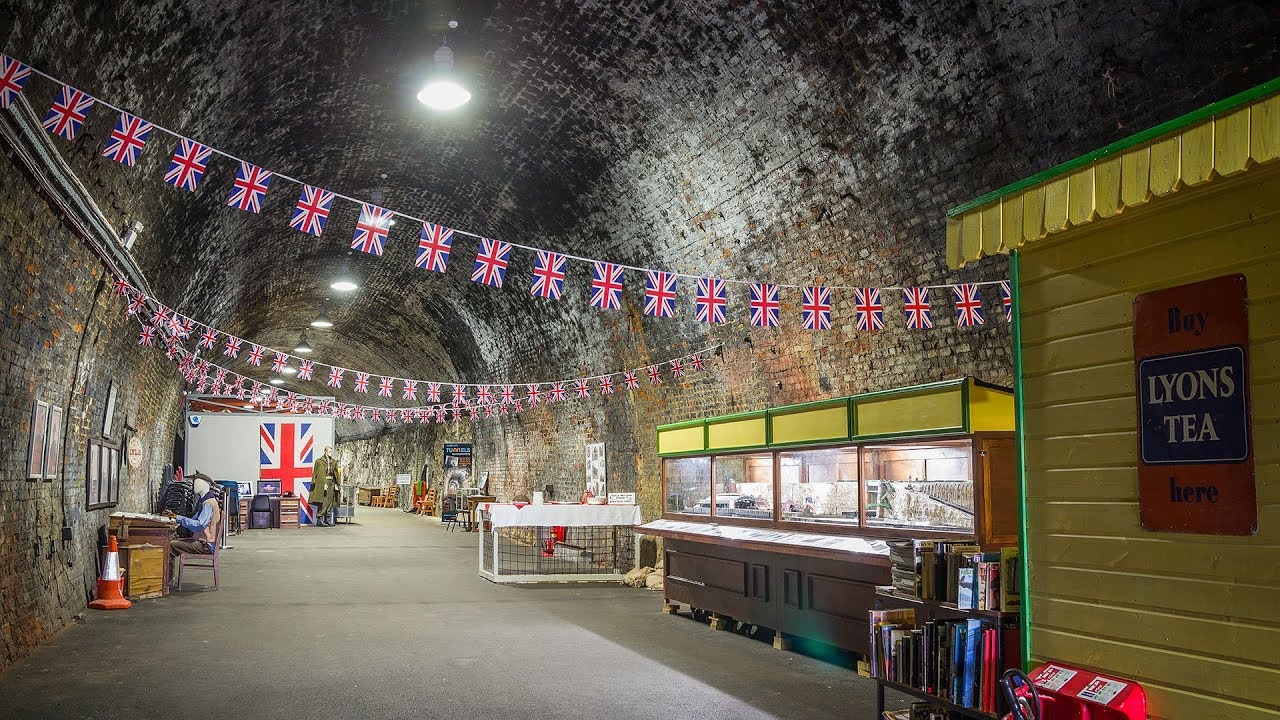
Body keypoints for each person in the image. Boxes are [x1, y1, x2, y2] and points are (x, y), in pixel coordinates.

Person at [165, 474, 221, 582]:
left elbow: (198, 525)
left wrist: (178, 518)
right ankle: (168, 580)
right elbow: (193, 521)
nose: (194, 485)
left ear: (205, 485)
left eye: (197, 483)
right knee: (172, 543)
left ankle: (166, 581)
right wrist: (174, 517)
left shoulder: (208, 504)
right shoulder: (205, 501)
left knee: (169, 545)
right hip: (203, 541)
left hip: (204, 544)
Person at [311, 446, 342, 526]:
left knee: (330, 501)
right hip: (323, 483)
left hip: (331, 482)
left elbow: (335, 474)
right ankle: (320, 520)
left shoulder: (333, 462)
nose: (331, 453)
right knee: (323, 501)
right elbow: (320, 474)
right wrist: (323, 484)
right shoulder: (320, 461)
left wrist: (336, 484)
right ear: (325, 452)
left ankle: (327, 519)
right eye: (329, 451)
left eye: (331, 451)